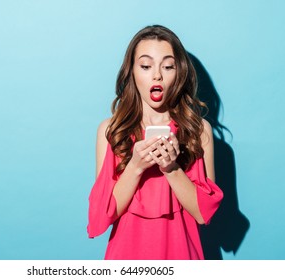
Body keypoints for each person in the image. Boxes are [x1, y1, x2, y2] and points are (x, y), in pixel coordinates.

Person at [87, 25, 224, 260]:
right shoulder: (111, 131)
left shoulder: (199, 131)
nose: (157, 75)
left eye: (168, 66)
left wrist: (171, 168)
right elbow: (103, 214)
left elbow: (203, 213)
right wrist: (136, 166)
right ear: (132, 72)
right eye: (146, 66)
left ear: (179, 73)